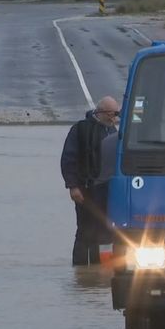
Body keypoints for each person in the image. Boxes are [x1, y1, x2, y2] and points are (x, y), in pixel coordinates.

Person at [60, 96, 120, 266]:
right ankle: (80, 270)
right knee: (85, 231)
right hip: (86, 191)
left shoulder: (114, 132)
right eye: (111, 114)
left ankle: (99, 273)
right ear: (99, 112)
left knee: (106, 233)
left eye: (116, 114)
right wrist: (73, 187)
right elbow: (68, 159)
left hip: (108, 192)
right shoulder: (80, 130)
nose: (114, 118)